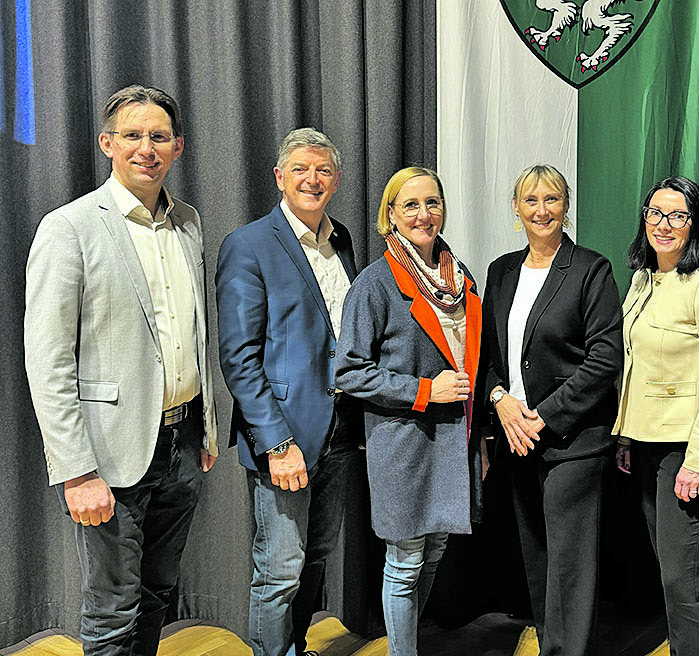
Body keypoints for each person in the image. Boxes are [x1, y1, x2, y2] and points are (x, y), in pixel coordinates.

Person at [23, 85, 218, 655]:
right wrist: (76, 470)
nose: (146, 148)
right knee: (112, 609)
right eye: (132, 135)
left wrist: (205, 428)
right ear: (107, 143)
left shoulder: (188, 223)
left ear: (178, 146)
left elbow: (193, 331)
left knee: (158, 593)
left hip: (182, 442)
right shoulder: (69, 227)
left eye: (159, 136)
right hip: (109, 453)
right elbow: (48, 359)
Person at [216, 128, 361, 656]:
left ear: (337, 180)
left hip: (340, 432)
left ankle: (295, 647)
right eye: (300, 169)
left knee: (315, 558)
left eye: (323, 170)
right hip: (284, 435)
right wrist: (277, 442)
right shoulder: (249, 244)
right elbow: (239, 357)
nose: (312, 179)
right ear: (279, 177)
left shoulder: (342, 240)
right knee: (279, 570)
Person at [335, 167, 482, 656]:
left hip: (454, 436)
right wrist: (424, 390)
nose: (424, 214)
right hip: (403, 440)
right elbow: (349, 371)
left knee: (435, 549)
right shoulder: (375, 283)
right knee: (404, 562)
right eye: (411, 205)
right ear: (391, 215)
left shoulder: (461, 277)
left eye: (432, 203)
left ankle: (407, 641)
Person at [479, 164, 621, 656]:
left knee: (569, 566)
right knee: (537, 559)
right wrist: (500, 402)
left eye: (552, 199)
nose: (542, 210)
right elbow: (487, 357)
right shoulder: (500, 271)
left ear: (566, 205)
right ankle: (551, 646)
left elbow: (605, 359)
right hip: (515, 437)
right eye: (531, 200)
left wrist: (543, 415)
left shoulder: (591, 269)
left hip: (572, 440)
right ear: (516, 208)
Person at [613, 176, 699, 656]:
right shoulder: (643, 280)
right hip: (648, 444)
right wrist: (625, 436)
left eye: (677, 215)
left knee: (684, 582)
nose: (663, 225)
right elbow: (635, 365)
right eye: (655, 213)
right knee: (672, 577)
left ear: (696, 225)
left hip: (690, 451)